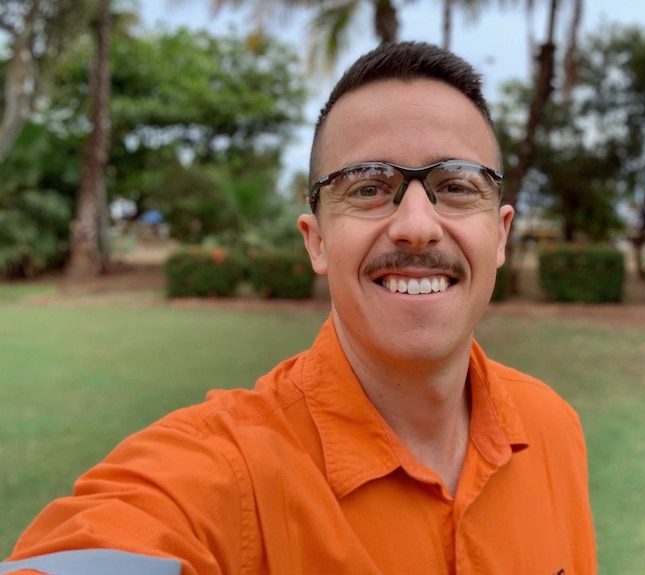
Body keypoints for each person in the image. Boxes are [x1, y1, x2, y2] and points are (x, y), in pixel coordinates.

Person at [1, 41, 596, 575]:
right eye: (367, 186)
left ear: (500, 234)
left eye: (458, 185)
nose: (417, 226)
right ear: (315, 239)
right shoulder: (226, 476)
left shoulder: (552, 429)